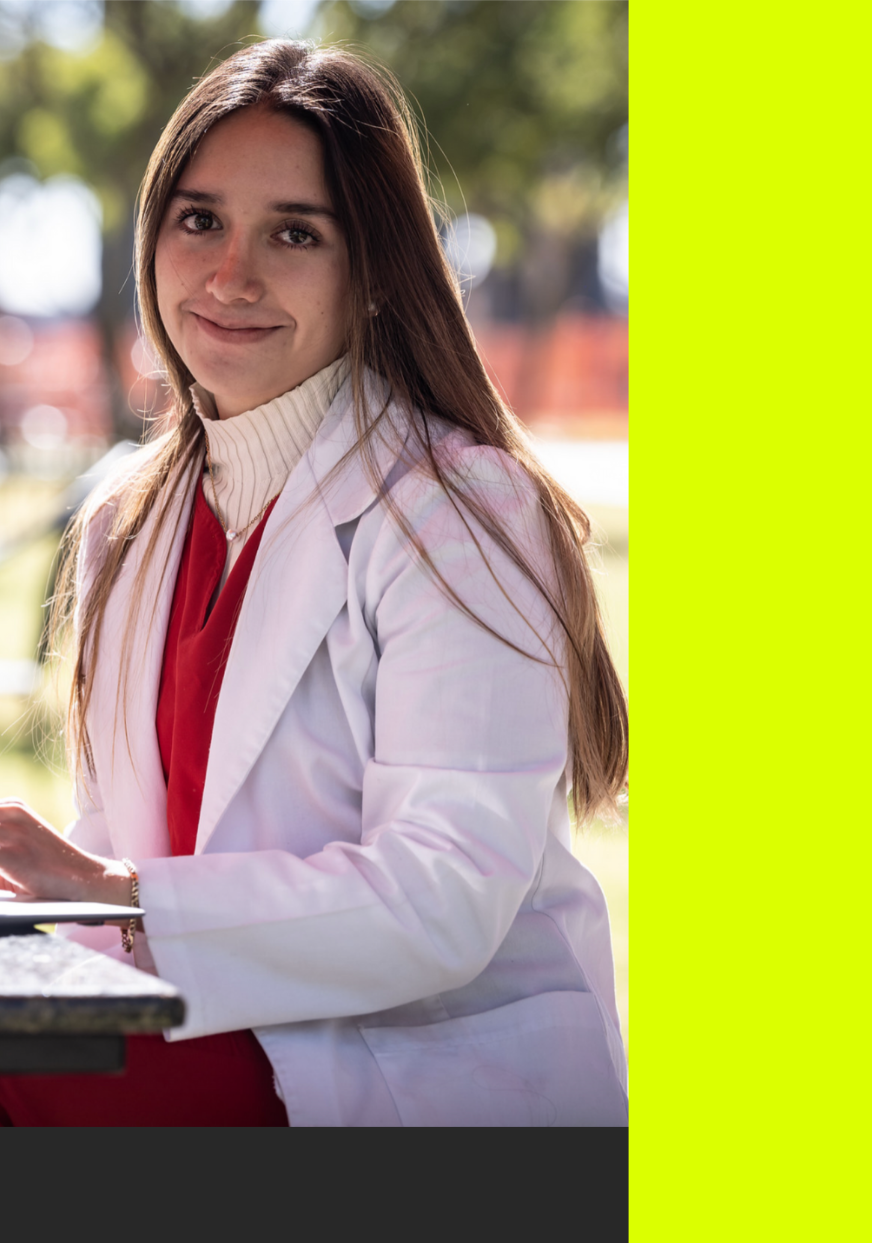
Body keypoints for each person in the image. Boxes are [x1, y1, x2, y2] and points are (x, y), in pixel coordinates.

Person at [0, 40, 628, 1127]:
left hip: (403, 1075)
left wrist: (114, 890)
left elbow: (445, 899)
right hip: (195, 1037)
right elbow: (124, 881)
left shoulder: (456, 509)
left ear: (372, 271)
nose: (230, 275)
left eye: (294, 233)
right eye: (200, 220)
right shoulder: (123, 525)